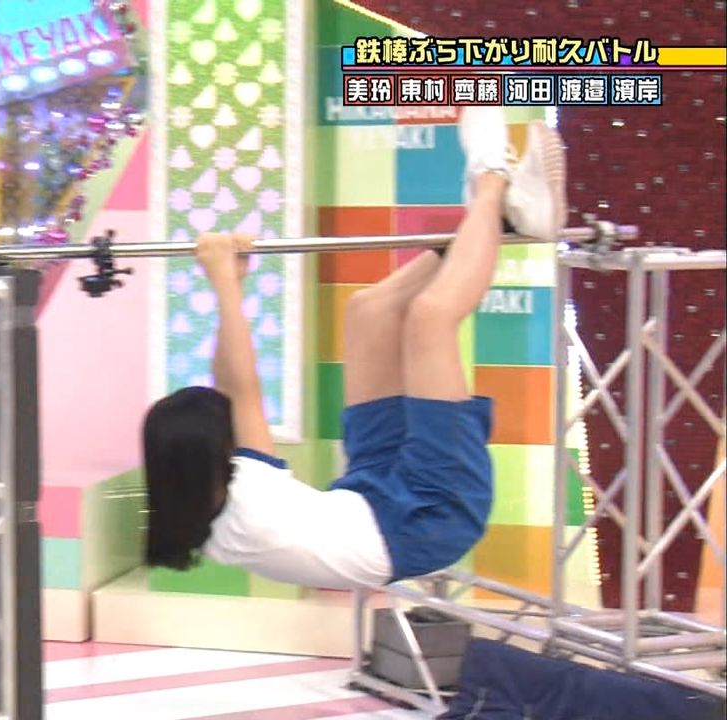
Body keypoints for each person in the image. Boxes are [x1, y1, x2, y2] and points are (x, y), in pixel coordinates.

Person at [142, 107, 566, 588]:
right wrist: (223, 281)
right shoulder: (248, 507)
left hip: (370, 490)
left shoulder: (216, 505)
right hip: (429, 519)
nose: (234, 425)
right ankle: (492, 178)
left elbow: (234, 387)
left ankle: (495, 220)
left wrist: (230, 284)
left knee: (368, 311)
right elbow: (241, 386)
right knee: (429, 319)